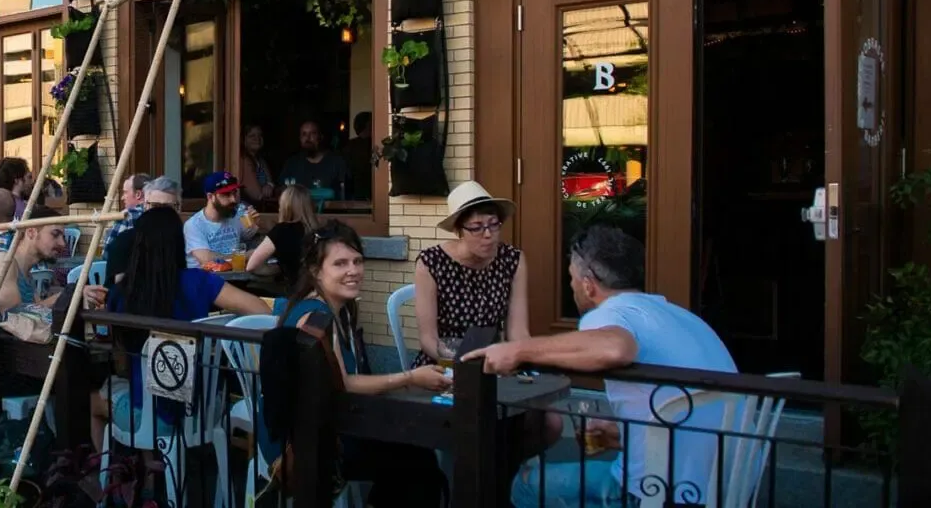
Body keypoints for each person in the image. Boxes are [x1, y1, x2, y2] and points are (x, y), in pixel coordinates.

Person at [468, 226, 738, 508]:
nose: (571, 287)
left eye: (571, 279)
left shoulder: (610, 312)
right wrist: (622, 436)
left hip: (660, 494)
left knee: (525, 486)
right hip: (727, 488)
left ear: (587, 284)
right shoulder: (681, 315)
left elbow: (615, 348)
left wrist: (516, 349)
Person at [278, 221, 451, 506]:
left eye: (357, 261)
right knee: (415, 461)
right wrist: (409, 378)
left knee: (415, 452)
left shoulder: (341, 308)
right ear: (314, 271)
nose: (353, 270)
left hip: (337, 422)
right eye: (340, 263)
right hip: (311, 440)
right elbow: (344, 382)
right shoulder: (315, 316)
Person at [93, 207, 273, 446]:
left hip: (151, 416)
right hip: (204, 409)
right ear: (179, 242)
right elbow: (261, 310)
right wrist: (224, 323)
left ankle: (120, 473)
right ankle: (155, 465)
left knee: (94, 400)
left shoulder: (122, 292)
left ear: (137, 245)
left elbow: (121, 363)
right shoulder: (200, 281)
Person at [414, 181, 528, 368]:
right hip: (444, 361)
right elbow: (428, 338)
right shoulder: (431, 263)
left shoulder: (512, 260)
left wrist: (523, 357)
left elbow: (518, 332)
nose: (488, 235)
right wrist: (461, 363)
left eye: (494, 225)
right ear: (459, 230)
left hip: (491, 361)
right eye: (476, 227)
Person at [0, 207, 105, 313]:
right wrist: (70, 294)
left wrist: (74, 294)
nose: (63, 244)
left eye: (62, 236)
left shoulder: (26, 274)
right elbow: (13, 318)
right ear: (31, 232)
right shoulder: (3, 264)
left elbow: (36, 308)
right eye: (55, 234)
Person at [106, 176, 179, 284]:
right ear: (145, 206)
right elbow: (117, 290)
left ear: (179, 208)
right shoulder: (123, 243)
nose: (161, 213)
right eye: (155, 205)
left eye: (168, 207)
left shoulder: (186, 239)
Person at [183, 171, 254, 268]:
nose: (233, 199)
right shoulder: (194, 225)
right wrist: (244, 256)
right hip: (205, 280)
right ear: (210, 197)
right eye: (226, 194)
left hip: (234, 277)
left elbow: (247, 236)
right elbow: (207, 259)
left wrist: (254, 225)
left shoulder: (235, 215)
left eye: (234, 193)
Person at [247, 183, 317, 281]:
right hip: (318, 290)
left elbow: (252, 266)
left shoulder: (282, 230)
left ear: (285, 207)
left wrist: (278, 269)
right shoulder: (317, 230)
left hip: (296, 291)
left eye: (280, 205)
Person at [279, 120, 348, 196]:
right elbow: (281, 189)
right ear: (300, 138)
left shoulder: (337, 162)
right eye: (304, 134)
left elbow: (345, 193)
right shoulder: (291, 163)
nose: (308, 138)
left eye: (313, 133)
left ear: (320, 137)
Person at [102, 173, 151, 248]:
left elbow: (109, 251)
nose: (122, 198)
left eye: (125, 192)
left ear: (138, 194)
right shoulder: (161, 215)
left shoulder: (127, 215)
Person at [239, 125, 276, 204]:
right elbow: (257, 195)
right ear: (243, 140)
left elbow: (270, 183)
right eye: (252, 136)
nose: (257, 138)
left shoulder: (261, 161)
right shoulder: (242, 160)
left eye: (260, 135)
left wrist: (270, 186)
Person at [344, 111, 373, 200]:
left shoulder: (349, 146)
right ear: (368, 125)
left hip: (353, 196)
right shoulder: (372, 144)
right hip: (362, 195)